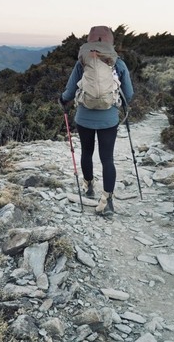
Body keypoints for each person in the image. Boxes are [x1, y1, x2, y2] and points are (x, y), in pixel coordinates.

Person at [59, 26, 133, 215]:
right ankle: (107, 201)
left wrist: (63, 99)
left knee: (86, 152)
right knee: (107, 158)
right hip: (109, 119)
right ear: (111, 42)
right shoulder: (118, 63)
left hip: (84, 118)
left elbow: (69, 91)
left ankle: (89, 186)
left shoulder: (82, 62)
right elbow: (129, 94)